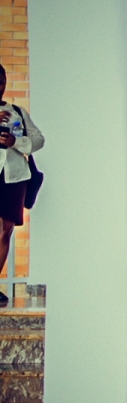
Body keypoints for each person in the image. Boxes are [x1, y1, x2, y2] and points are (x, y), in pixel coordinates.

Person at [0, 64, 43, 305]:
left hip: (14, 177)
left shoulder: (17, 112)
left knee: (5, 229)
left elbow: (39, 140)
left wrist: (16, 141)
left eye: (2, 81)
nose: (0, 86)